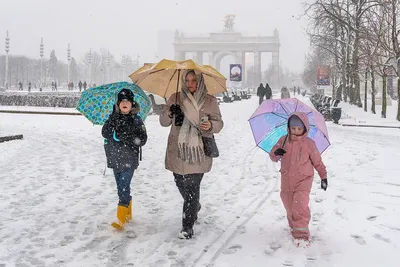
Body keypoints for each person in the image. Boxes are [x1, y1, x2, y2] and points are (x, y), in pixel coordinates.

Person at [159, 70, 224, 239]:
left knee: (192, 187)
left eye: (193, 80)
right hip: (178, 149)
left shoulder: (209, 100)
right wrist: (169, 112)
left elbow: (219, 122)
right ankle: (194, 206)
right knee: (180, 182)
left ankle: (187, 226)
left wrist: (210, 125)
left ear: (200, 81)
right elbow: (163, 123)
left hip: (198, 150)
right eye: (187, 80)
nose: (190, 84)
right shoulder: (175, 97)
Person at [269, 112, 327, 246]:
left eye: (299, 129)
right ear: (289, 127)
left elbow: (317, 162)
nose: (296, 131)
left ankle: (301, 235)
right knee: (288, 205)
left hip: (304, 180)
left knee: (299, 205)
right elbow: (273, 156)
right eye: (293, 128)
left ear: (305, 129)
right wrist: (276, 153)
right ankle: (294, 225)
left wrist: (323, 176)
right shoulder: (283, 140)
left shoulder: (309, 144)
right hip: (287, 179)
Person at [102, 88, 147, 229]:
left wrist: (130, 138)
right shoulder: (113, 117)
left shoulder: (136, 120)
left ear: (132, 103)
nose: (125, 103)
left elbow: (143, 138)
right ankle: (127, 213)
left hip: (129, 159)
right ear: (118, 103)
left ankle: (121, 220)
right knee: (120, 187)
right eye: (122, 101)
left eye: (128, 101)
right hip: (115, 158)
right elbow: (104, 132)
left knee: (123, 187)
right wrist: (113, 129)